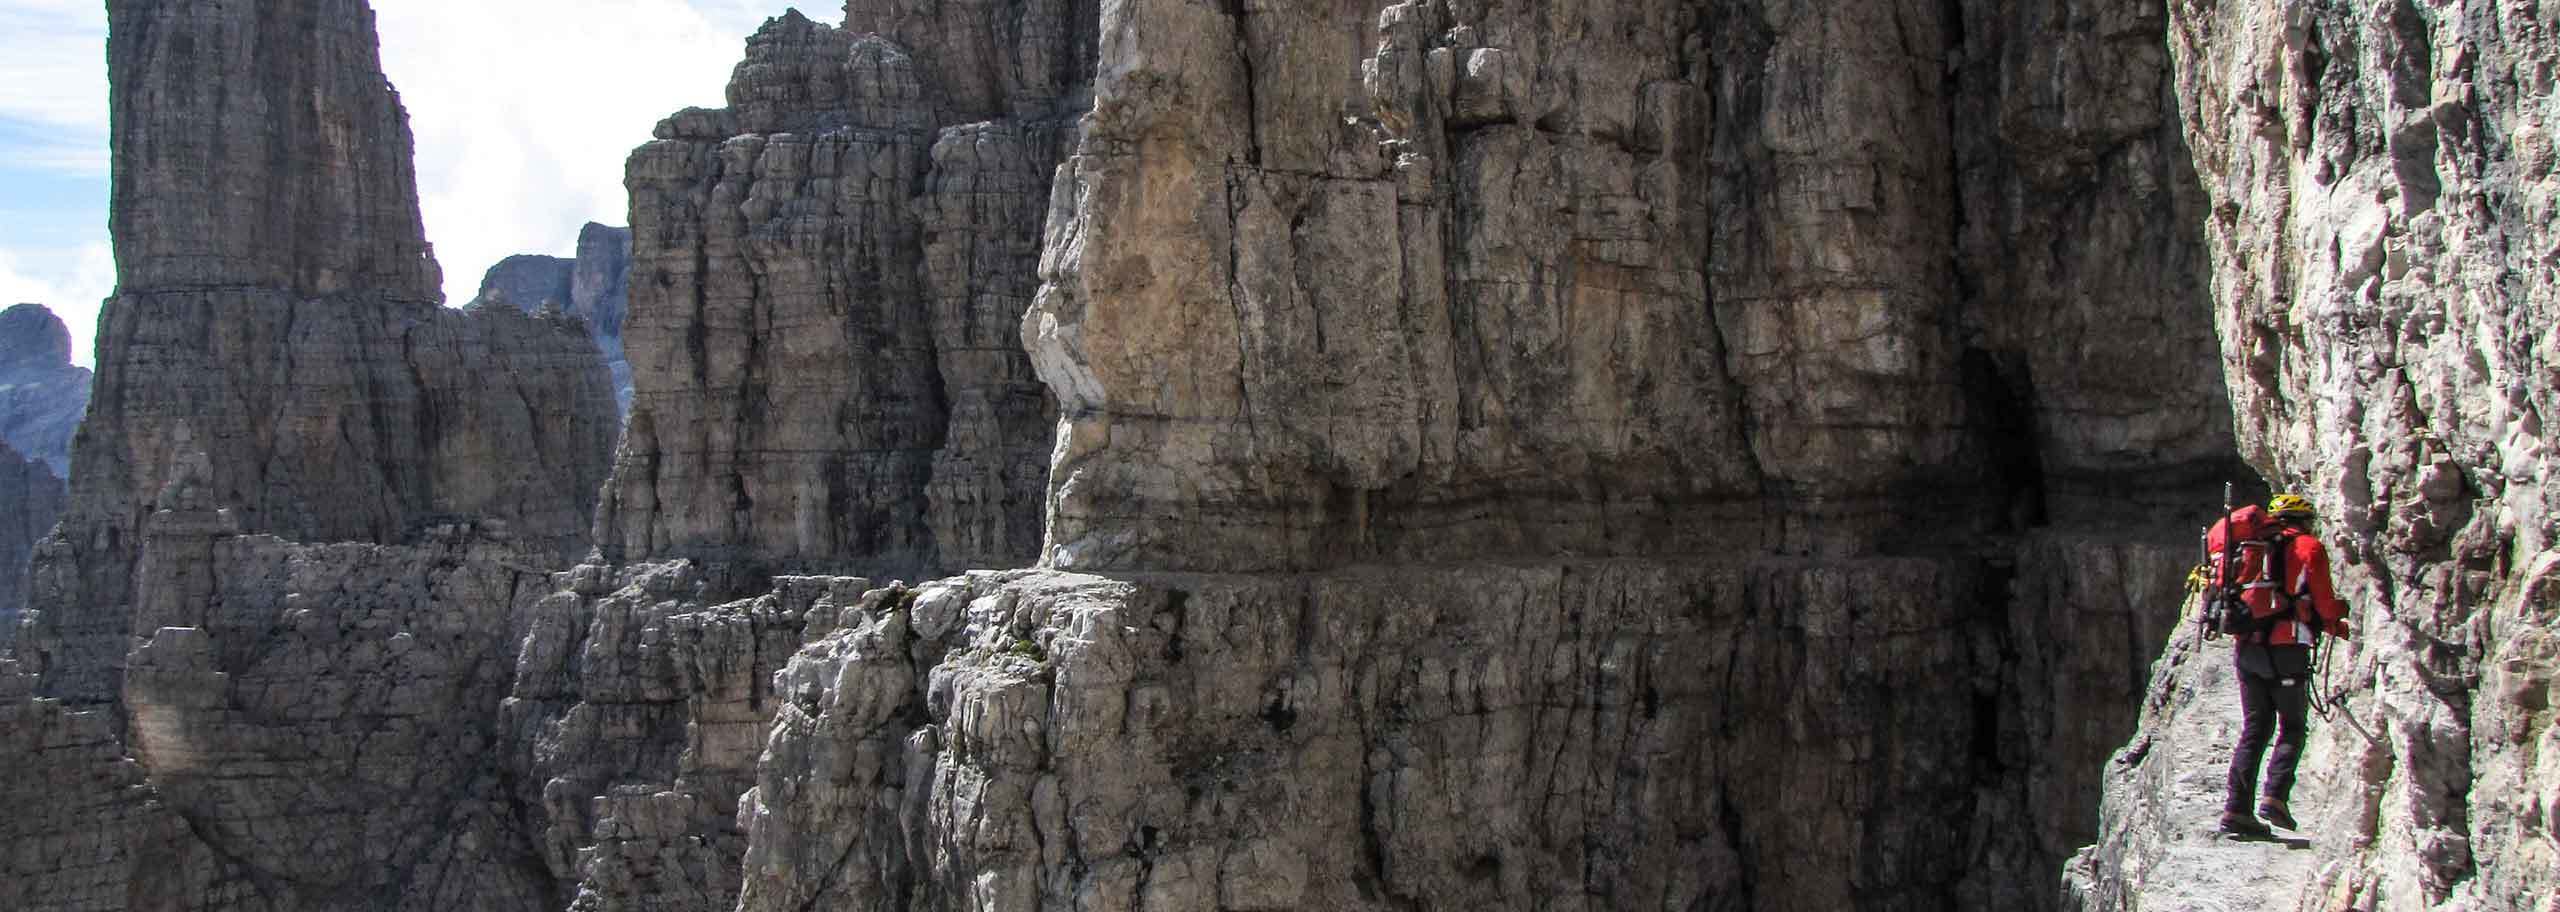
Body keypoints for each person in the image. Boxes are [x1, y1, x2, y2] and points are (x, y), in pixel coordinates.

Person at [2214, 493, 2352, 836]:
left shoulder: (2248, 548)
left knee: (2255, 728)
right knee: (2291, 725)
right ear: (2303, 521)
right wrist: (2338, 619)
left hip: (2247, 650)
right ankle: (2275, 798)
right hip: (2288, 647)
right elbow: (2324, 603)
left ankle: (2236, 809)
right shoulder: (2309, 548)